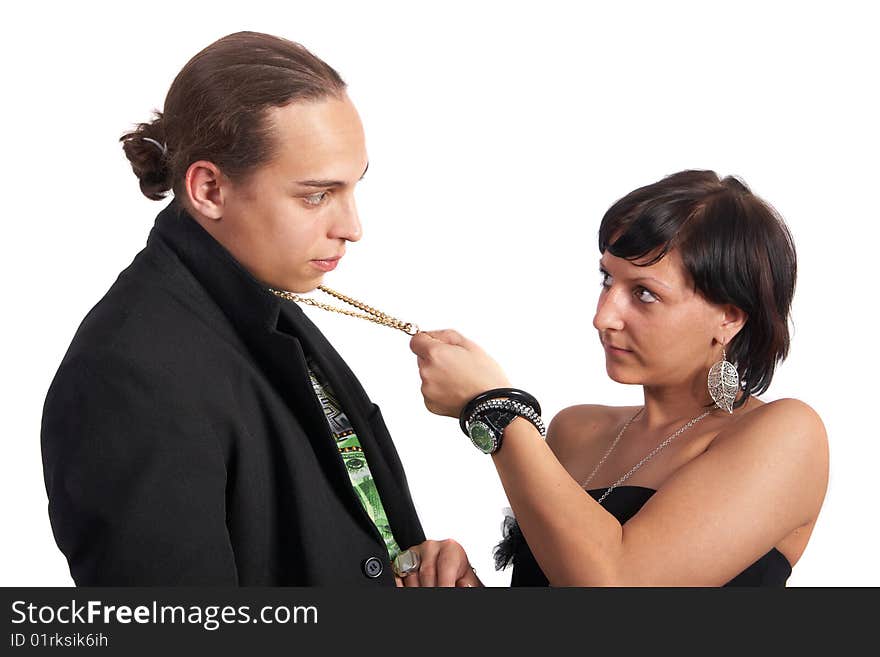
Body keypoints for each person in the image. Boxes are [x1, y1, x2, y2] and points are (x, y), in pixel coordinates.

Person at [40, 30, 470, 586]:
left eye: (352, 189)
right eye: (316, 195)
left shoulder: (260, 300)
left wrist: (410, 571)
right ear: (209, 190)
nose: (352, 228)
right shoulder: (127, 373)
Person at [407, 170, 829, 586]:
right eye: (607, 279)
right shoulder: (576, 430)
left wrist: (495, 409)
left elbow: (618, 581)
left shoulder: (787, 435)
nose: (603, 316)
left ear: (729, 318)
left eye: (645, 293)